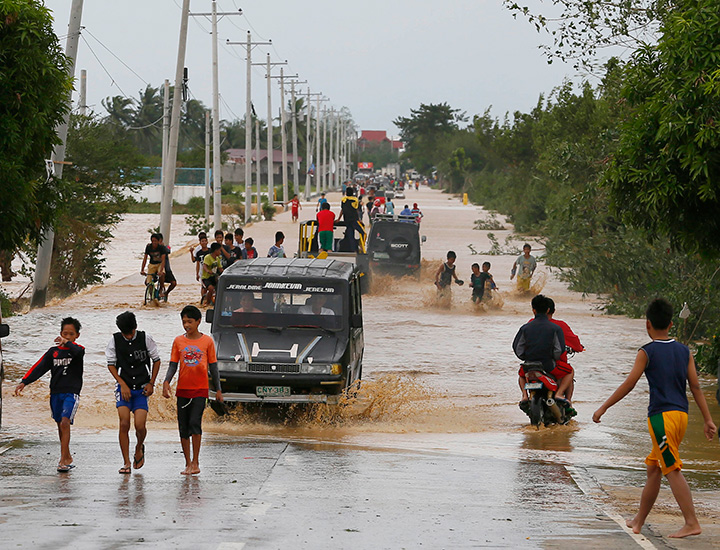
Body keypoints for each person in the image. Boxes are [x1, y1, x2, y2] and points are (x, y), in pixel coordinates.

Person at [593, 298, 717, 538]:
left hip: (661, 418)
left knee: (671, 469)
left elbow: (629, 384)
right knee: (654, 468)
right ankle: (639, 520)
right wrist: (708, 419)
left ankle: (692, 522)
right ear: (671, 324)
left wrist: (603, 408)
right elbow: (696, 387)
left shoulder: (646, 352)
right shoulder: (684, 351)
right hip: (681, 416)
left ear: (647, 324)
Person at [15, 317, 85, 473]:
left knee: (65, 422)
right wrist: (24, 382)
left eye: (71, 334)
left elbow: (78, 351)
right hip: (55, 393)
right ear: (60, 333)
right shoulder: (53, 352)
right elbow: (39, 367)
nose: (67, 337)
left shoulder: (78, 350)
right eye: (64, 334)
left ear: (76, 336)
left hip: (71, 392)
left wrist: (67, 343)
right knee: (60, 424)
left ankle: (62, 460)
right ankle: (66, 456)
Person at [163, 305, 223, 476]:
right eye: (183, 322)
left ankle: (196, 461)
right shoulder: (178, 341)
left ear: (198, 321)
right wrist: (166, 381)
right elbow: (173, 365)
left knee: (195, 424)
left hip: (200, 390)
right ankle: (187, 463)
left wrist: (218, 390)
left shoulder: (207, 342)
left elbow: (214, 368)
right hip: (182, 390)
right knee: (183, 428)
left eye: (190, 321)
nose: (186, 325)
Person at [105, 311, 161, 474]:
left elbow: (156, 361)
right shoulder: (114, 341)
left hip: (142, 388)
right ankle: (126, 462)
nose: (128, 337)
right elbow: (111, 365)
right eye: (125, 334)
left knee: (140, 425)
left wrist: (152, 383)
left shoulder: (146, 338)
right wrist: (121, 384)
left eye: (130, 333)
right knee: (123, 423)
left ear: (135, 327)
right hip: (124, 388)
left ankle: (138, 447)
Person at [512, 294, 566, 405]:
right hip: (548, 366)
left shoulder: (525, 328)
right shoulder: (555, 328)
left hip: (529, 366)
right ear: (548, 310)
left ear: (533, 310)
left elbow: (518, 348)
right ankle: (559, 394)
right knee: (569, 372)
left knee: (521, 375)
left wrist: (526, 357)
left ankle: (524, 395)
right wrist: (553, 357)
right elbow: (558, 350)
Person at [337, 187, 366, 252]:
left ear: (346, 192)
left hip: (347, 220)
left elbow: (342, 210)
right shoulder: (355, 200)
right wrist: (359, 219)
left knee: (351, 236)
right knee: (363, 233)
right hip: (354, 220)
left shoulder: (343, 200)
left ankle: (353, 250)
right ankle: (361, 246)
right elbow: (356, 210)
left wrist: (339, 219)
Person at [158, 234, 177, 299]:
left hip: (167, 269)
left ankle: (166, 293)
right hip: (156, 268)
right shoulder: (153, 248)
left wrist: (163, 247)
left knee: (173, 283)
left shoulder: (166, 247)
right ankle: (158, 290)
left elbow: (168, 250)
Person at [194, 234, 211, 303]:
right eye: (202, 241)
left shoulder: (211, 251)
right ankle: (203, 299)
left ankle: (209, 299)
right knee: (203, 286)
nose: (204, 242)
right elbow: (197, 264)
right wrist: (197, 273)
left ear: (207, 242)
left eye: (205, 241)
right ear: (200, 242)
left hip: (211, 270)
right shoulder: (198, 252)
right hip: (202, 272)